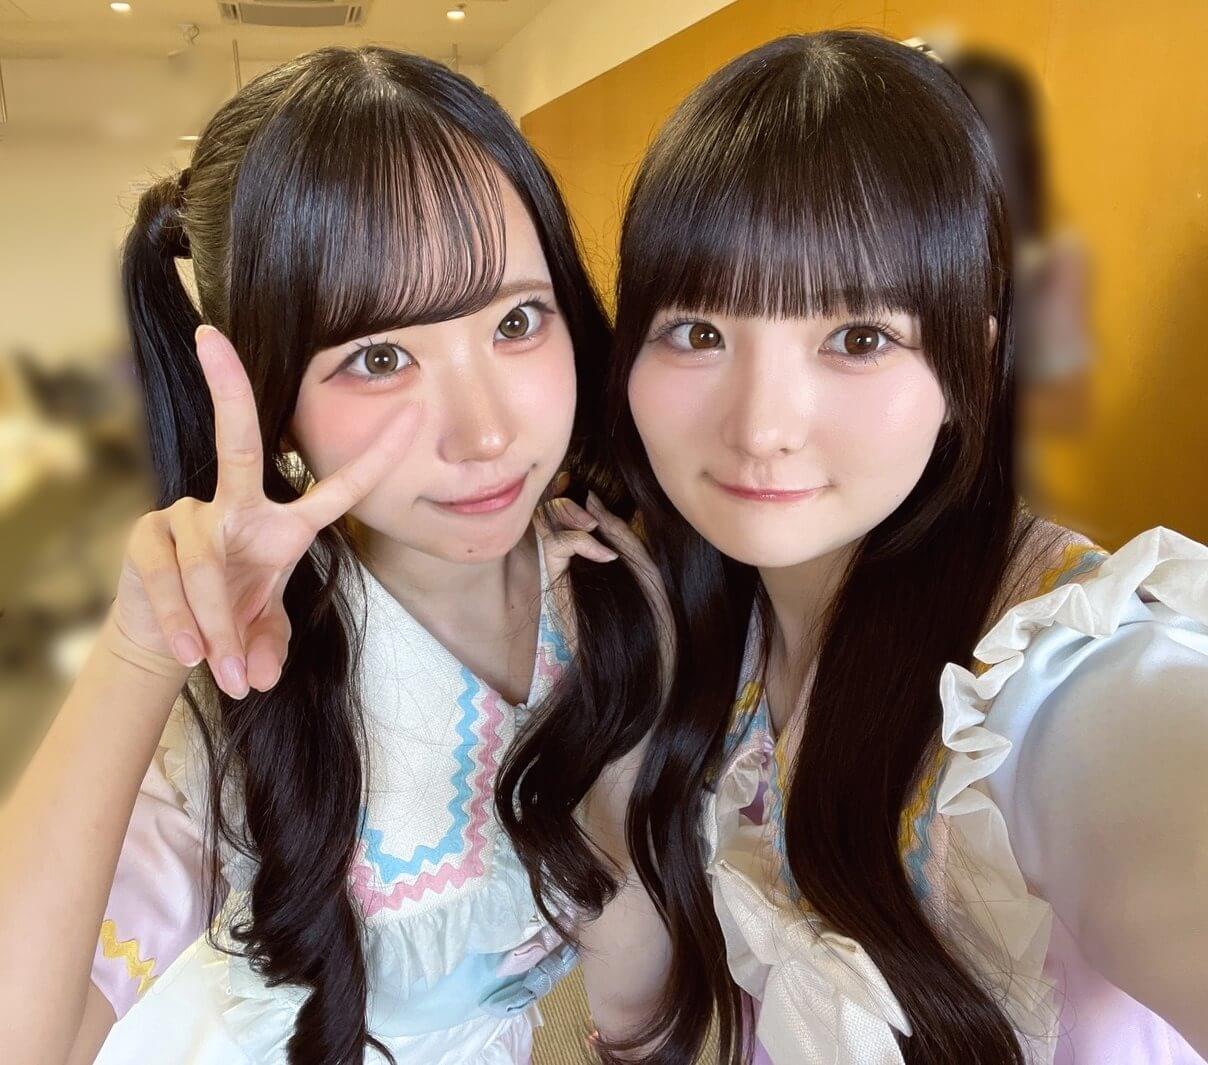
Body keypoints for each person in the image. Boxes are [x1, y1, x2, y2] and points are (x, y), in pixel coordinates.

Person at [503, 31, 1208, 1065]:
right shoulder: (710, 620)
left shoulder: (1056, 692)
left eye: (858, 339)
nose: (760, 427)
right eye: (699, 332)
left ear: (969, 365)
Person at [0, 46, 633, 1065]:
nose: (484, 433)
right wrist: (138, 653)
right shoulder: (248, 680)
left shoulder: (607, 576)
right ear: (271, 395)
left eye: (517, 320)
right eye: (379, 357)